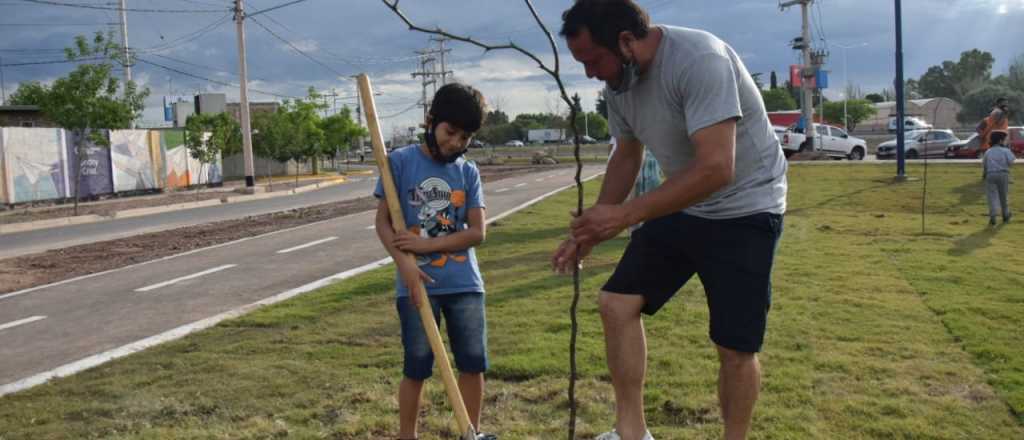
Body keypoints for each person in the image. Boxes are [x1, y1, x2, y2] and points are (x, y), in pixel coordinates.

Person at [552, 1, 787, 439]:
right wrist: (593, 228)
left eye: (593, 60)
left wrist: (623, 216)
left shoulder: (700, 60)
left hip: (746, 208)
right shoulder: (620, 82)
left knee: (734, 346)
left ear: (625, 40)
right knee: (616, 304)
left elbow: (718, 167)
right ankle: (632, 433)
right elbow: (627, 154)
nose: (589, 74)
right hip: (684, 203)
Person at [373, 82, 495, 440]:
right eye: (450, 131)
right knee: (417, 367)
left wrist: (423, 248)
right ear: (431, 121)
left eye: (465, 136)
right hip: (414, 286)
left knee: (472, 363)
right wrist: (406, 265)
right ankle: (406, 435)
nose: (456, 142)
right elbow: (383, 223)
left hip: (465, 285)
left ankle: (470, 433)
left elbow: (476, 232)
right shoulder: (399, 162)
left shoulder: (467, 171)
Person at [983, 129, 1015, 226]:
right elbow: (1011, 162)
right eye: (1005, 139)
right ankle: (1005, 215)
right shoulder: (1005, 150)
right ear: (1000, 141)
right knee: (1003, 196)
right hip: (1003, 174)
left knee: (992, 196)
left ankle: (993, 216)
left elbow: (985, 165)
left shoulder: (988, 151)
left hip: (990, 174)